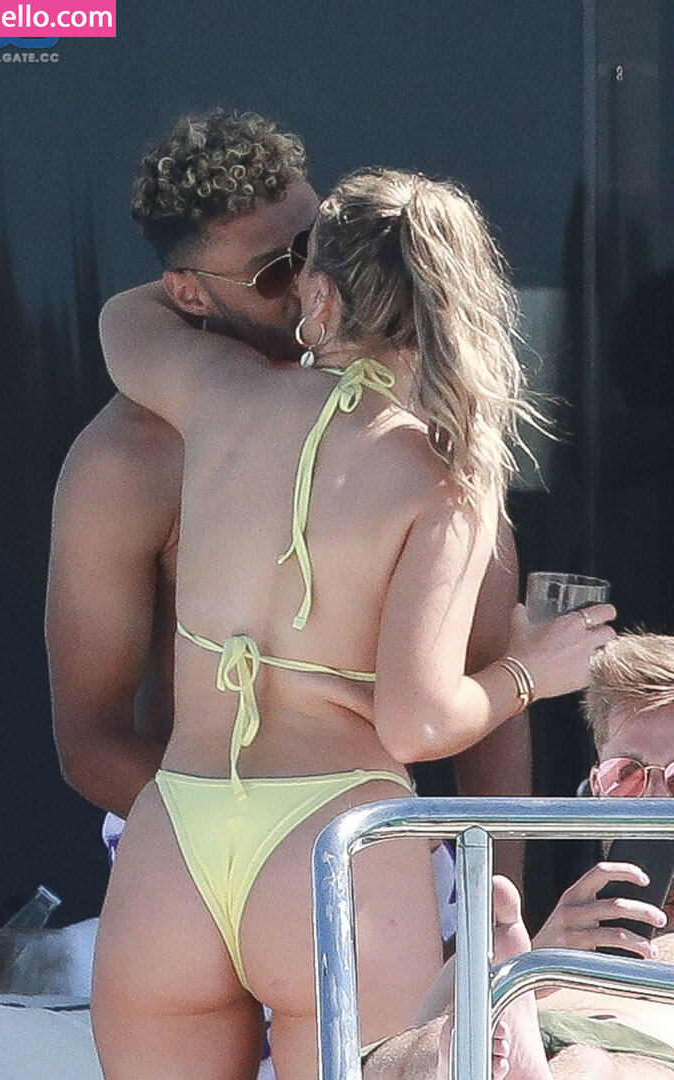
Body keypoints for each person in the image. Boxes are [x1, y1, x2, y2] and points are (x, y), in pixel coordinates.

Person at [90, 163, 614, 1080]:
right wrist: (532, 671)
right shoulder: (444, 483)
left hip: (175, 834)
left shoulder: (217, 394)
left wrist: (259, 280)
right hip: (336, 847)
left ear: (321, 294)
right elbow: (417, 721)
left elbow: (121, 320)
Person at [46, 108, 530, 891]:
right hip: (198, 858)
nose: (309, 279)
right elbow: (91, 741)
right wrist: (258, 840)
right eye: (276, 273)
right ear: (188, 295)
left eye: (316, 245)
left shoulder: (416, 429)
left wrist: (498, 912)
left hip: (373, 854)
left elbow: (485, 677)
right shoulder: (130, 458)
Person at [366, 633, 674, 1080]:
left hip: (629, 1050)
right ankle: (479, 1040)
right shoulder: (541, 934)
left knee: (588, 1064)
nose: (652, 801)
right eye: (626, 775)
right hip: (516, 1035)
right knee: (426, 1035)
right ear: (597, 787)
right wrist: (540, 964)